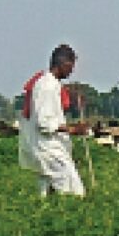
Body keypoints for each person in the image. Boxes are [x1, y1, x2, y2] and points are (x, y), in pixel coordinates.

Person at [17, 43, 87, 198]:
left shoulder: (48, 84)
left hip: (46, 149)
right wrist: (74, 130)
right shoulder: (47, 86)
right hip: (48, 150)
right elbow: (44, 123)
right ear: (63, 63)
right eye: (71, 66)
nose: (72, 71)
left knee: (47, 196)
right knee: (75, 194)